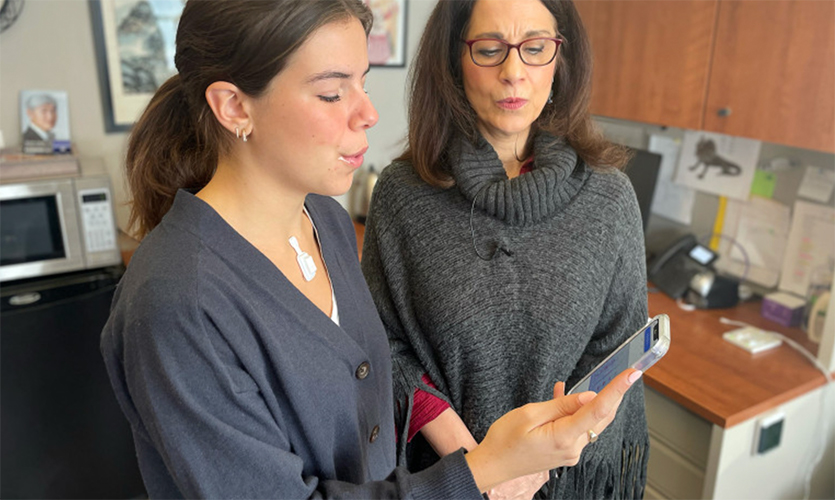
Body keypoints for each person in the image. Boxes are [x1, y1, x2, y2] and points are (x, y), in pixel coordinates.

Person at [100, 0, 643, 498]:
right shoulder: (177, 304)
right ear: (234, 107)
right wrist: (478, 473)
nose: (368, 113)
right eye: (333, 92)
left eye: (362, 82)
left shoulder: (327, 222)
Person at [361, 0, 650, 498]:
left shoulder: (610, 198)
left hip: (568, 479)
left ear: (561, 60)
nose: (514, 73)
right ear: (454, 61)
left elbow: (618, 353)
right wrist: (480, 468)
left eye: (535, 48)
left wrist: (542, 461)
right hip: (444, 479)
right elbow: (382, 344)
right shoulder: (403, 196)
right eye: (490, 49)